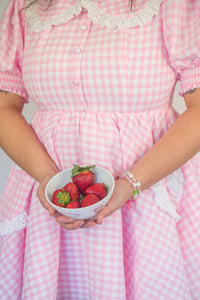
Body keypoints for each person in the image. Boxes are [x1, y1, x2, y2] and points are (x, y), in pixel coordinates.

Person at [0, 0, 200, 299]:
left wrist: (129, 184)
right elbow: (4, 106)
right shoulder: (28, 6)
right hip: (49, 201)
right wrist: (48, 179)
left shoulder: (173, 5)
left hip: (147, 196)